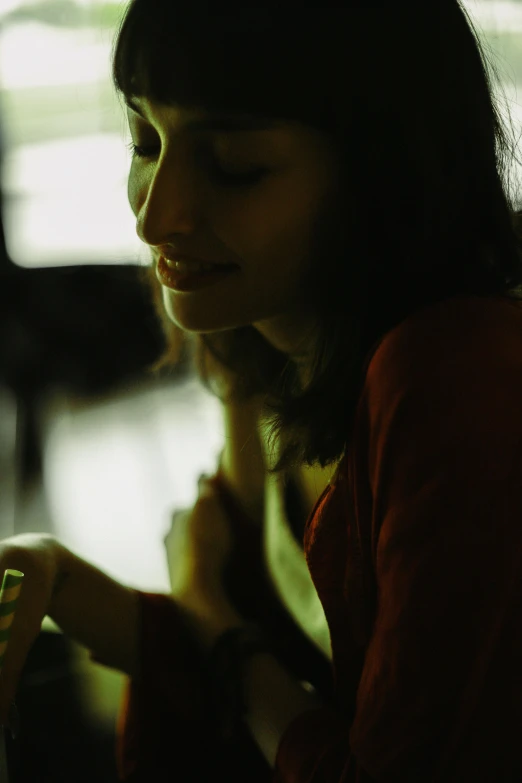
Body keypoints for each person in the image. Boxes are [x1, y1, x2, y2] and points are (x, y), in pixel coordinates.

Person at [2, 2, 522, 781]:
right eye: (145, 140)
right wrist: (51, 571)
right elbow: (256, 660)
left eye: (234, 167)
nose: (154, 216)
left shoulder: (456, 378)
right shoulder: (258, 341)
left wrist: (212, 619)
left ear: (379, 171)